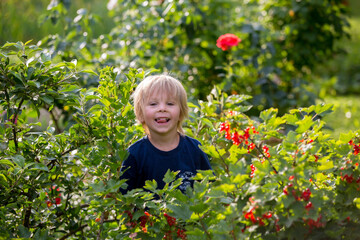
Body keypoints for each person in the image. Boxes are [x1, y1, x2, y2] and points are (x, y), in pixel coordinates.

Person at [119, 74, 212, 194]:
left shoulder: (195, 149)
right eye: (153, 104)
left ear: (181, 112)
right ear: (140, 113)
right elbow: (124, 202)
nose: (162, 108)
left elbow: (208, 193)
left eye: (170, 104)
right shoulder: (134, 154)